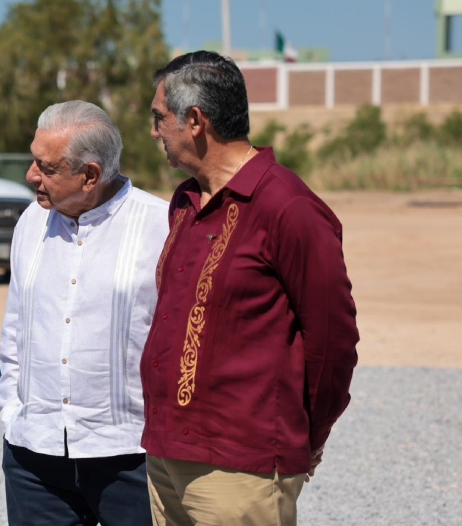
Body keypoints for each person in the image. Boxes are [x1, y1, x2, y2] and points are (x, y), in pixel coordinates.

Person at [141, 50, 359, 525]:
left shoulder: (288, 206)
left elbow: (333, 341)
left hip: (241, 466)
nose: (154, 132)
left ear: (195, 121)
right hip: (165, 454)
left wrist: (308, 433)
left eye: (159, 118)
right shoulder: (185, 201)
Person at [0, 100, 170, 526]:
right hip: (34, 454)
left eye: (46, 167)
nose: (31, 175)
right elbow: (16, 327)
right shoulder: (30, 222)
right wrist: (12, 412)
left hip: (130, 455)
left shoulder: (162, 226)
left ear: (90, 175)